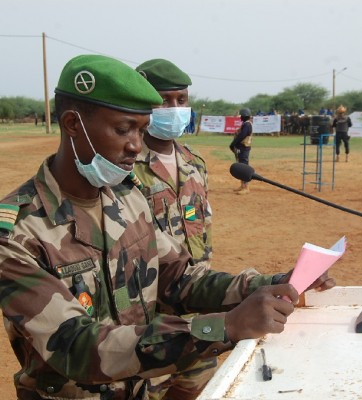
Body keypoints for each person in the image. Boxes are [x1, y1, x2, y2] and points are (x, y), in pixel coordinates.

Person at [0, 54, 335, 400]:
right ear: (73, 123)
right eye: (123, 129)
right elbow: (76, 346)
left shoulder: (127, 198)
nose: (135, 145)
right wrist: (225, 326)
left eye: (141, 130)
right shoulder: (17, 234)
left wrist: (273, 284)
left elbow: (180, 278)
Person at [134, 58, 214, 400]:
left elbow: (202, 231)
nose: (175, 108)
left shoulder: (195, 163)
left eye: (181, 99)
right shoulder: (125, 166)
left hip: (197, 305)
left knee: (196, 384)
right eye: (164, 100)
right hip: (149, 314)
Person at [229, 107, 253, 195]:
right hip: (242, 147)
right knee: (241, 165)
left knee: (244, 167)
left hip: (244, 148)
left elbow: (241, 136)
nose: (240, 117)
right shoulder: (246, 124)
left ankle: (246, 187)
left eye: (241, 116)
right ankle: (242, 185)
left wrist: (233, 143)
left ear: (244, 116)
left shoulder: (247, 125)